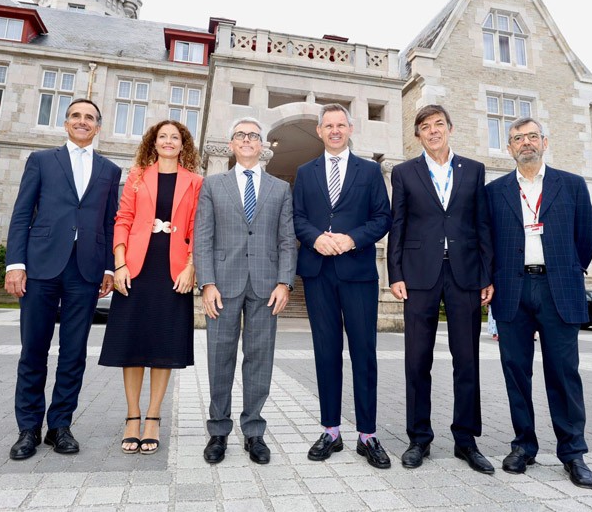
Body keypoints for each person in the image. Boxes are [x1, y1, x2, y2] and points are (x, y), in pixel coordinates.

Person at [5, 98, 121, 460]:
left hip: (84, 270)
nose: (82, 122)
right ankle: (28, 429)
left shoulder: (110, 170)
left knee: (73, 353)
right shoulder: (41, 161)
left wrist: (107, 268)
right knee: (34, 350)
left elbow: (108, 221)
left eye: (89, 118)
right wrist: (15, 264)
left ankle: (60, 426)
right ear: (66, 123)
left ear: (98, 127)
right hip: (40, 266)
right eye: (76, 116)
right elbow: (22, 213)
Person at [485, 117, 592, 489]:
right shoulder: (494, 191)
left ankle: (573, 452)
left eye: (532, 136)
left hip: (557, 289)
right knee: (516, 372)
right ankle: (524, 446)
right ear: (509, 148)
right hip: (512, 291)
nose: (525, 143)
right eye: (517, 138)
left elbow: (586, 239)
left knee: (564, 373)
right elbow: (487, 242)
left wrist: (566, 270)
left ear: (544, 142)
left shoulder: (572, 185)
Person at [386, 104, 494, 472]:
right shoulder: (404, 173)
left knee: (467, 361)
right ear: (417, 135)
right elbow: (397, 225)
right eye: (425, 127)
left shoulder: (473, 170)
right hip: (418, 276)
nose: (433, 131)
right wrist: (395, 274)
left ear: (450, 128)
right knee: (418, 361)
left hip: (465, 275)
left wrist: (486, 275)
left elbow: (482, 225)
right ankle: (419, 438)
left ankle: (466, 439)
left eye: (439, 125)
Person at [293, 104, 392, 469]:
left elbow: (384, 216)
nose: (334, 130)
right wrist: (316, 238)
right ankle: (331, 430)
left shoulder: (369, 171)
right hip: (319, 272)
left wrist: (351, 239)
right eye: (328, 125)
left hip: (358, 272)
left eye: (341, 125)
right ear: (319, 131)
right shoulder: (306, 172)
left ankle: (367, 435)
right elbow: (297, 217)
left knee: (364, 352)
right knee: (326, 352)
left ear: (351, 129)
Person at [194, 117, 296, 465]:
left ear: (263, 145)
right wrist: (206, 283)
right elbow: (203, 238)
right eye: (241, 135)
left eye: (254, 135)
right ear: (232, 143)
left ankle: (254, 432)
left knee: (260, 359)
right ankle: (218, 431)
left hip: (267, 286)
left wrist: (285, 282)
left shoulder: (280, 188)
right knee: (220, 359)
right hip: (222, 284)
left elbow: (287, 240)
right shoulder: (213, 185)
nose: (248, 140)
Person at [98, 120, 203, 455]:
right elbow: (122, 220)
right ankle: (132, 416)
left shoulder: (196, 182)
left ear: (183, 145)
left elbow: (198, 228)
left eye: (175, 137)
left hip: (173, 272)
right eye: (163, 137)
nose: (169, 141)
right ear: (153, 144)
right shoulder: (138, 176)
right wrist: (119, 264)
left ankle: (154, 416)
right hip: (136, 269)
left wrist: (191, 267)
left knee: (163, 346)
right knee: (132, 344)